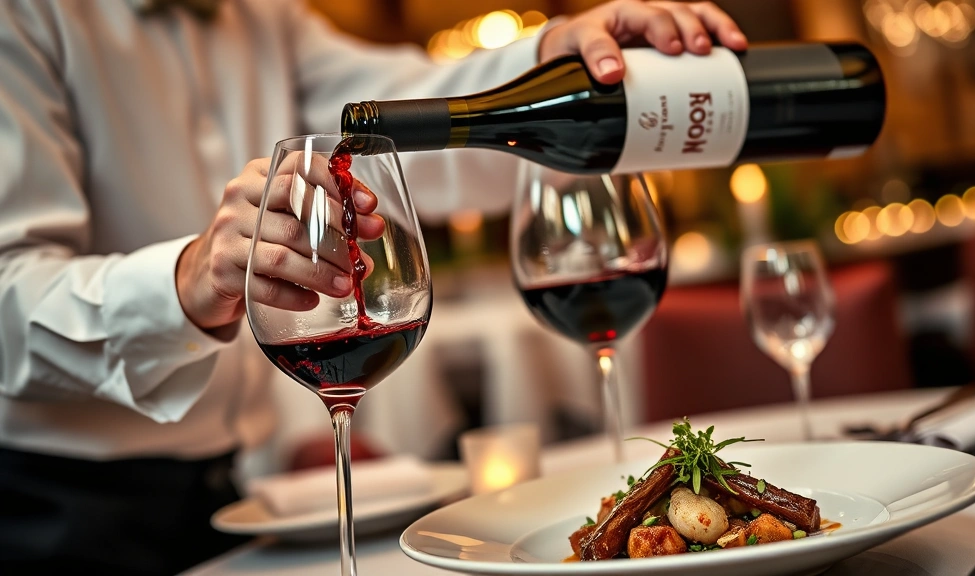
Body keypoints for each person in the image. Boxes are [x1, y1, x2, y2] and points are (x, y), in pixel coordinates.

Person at [0, 0, 747, 573]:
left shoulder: (264, 15)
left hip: (222, 502)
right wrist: (187, 278)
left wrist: (553, 58)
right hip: (52, 520)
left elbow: (409, 116)